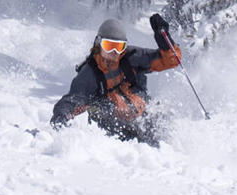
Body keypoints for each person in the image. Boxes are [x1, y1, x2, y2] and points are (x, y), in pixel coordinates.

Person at [50, 13, 181, 146]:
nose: (114, 52)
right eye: (109, 46)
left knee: (161, 115)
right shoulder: (89, 73)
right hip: (114, 127)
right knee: (104, 108)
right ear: (98, 43)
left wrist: (164, 41)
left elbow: (171, 60)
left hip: (140, 114)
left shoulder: (131, 57)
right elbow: (72, 100)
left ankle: (171, 149)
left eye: (118, 47)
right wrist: (62, 116)